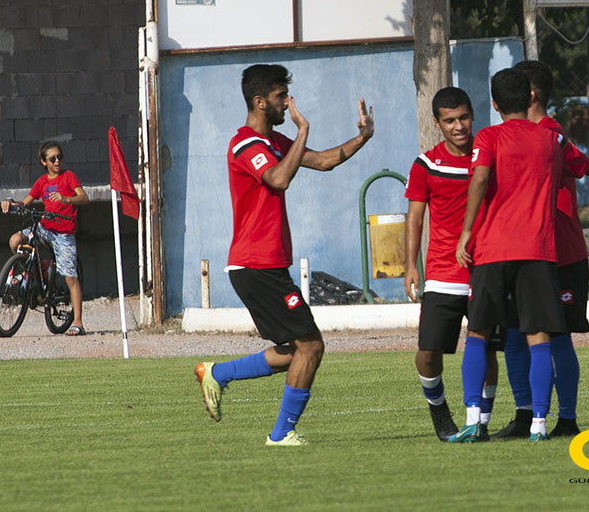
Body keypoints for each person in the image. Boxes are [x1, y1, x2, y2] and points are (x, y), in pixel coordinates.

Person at [194, 64, 374, 446]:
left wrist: (363, 138)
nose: (286, 103)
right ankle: (281, 434)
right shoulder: (245, 144)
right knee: (311, 347)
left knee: (294, 349)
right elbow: (278, 178)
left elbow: (323, 161)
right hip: (255, 265)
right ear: (260, 102)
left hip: (268, 265)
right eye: (280, 97)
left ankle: (217, 373)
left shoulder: (275, 142)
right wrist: (302, 130)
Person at [492, 60, 589, 439]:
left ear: (531, 94)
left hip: (558, 251)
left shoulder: (549, 134)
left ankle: (567, 419)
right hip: (520, 250)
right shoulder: (509, 136)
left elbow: (583, 164)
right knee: (513, 334)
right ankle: (525, 414)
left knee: (555, 336)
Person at [452, 68, 566, 443]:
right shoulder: (551, 140)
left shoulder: (488, 136)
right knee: (539, 338)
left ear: (495, 103)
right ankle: (539, 424)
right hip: (537, 249)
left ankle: (473, 418)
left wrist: (466, 230)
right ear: (530, 97)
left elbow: (481, 178)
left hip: (493, 248)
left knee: (479, 334)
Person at [404, 87, 500, 441]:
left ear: (472, 115)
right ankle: (440, 413)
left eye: (463, 118)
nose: (458, 126)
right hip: (443, 274)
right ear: (437, 123)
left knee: (487, 349)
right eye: (449, 121)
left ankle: (483, 423)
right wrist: (410, 265)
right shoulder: (426, 164)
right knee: (427, 352)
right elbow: (414, 217)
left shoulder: (489, 155)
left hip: (486, 269)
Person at [0, 141, 89, 336]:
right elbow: (25, 202)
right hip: (45, 228)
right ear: (43, 161)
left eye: (59, 157)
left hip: (64, 234)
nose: (57, 161)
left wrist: (66, 199)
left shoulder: (68, 177)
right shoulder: (42, 182)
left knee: (70, 277)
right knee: (16, 240)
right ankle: (33, 273)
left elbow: (84, 198)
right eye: (52, 158)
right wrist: (9, 203)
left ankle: (78, 322)